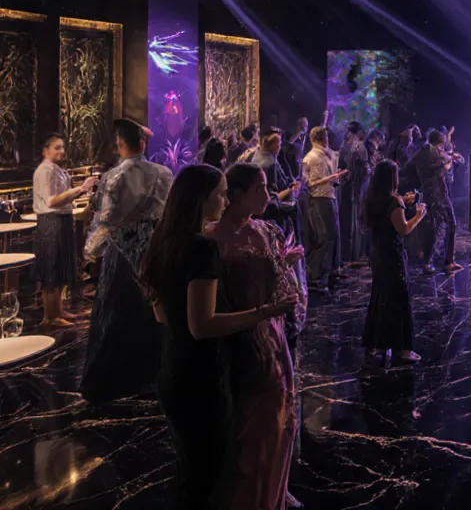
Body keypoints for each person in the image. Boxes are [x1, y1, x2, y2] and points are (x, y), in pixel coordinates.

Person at [141, 164, 294, 509]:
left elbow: (161, 314)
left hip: (172, 366)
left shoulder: (166, 243)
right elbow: (202, 325)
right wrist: (264, 312)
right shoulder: (203, 248)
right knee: (208, 478)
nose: (226, 201)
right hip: (203, 374)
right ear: (201, 199)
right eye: (222, 194)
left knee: (190, 472)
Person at [209, 164, 305, 507]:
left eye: (266, 188)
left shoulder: (264, 230)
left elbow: (272, 280)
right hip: (239, 334)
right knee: (251, 419)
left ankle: (275, 484)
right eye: (258, 189)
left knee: (282, 411)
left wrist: (285, 263)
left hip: (272, 332)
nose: (267, 195)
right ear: (234, 196)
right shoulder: (213, 238)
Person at [81, 119, 173, 403]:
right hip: (152, 247)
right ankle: (155, 373)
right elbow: (166, 211)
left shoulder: (112, 177)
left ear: (120, 145)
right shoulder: (163, 172)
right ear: (143, 144)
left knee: (117, 311)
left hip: (120, 253)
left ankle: (116, 379)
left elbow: (106, 220)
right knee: (151, 309)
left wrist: (90, 251)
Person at [362, 160, 425, 361]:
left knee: (381, 295)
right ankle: (403, 349)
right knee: (399, 297)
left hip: (377, 251)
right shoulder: (393, 203)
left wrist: (403, 200)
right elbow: (403, 229)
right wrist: (418, 215)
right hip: (392, 253)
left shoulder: (372, 199)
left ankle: (376, 343)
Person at [32, 133, 97, 328]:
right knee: (51, 268)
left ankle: (58, 310)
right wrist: (81, 189)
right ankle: (50, 317)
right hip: (52, 222)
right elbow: (52, 201)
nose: (62, 151)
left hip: (62, 220)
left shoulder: (56, 169)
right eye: (57, 148)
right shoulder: (45, 171)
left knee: (60, 267)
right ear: (45, 151)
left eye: (62, 147)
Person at [302, 125, 346, 294]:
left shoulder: (326, 155)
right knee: (325, 236)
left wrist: (334, 178)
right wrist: (331, 178)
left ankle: (329, 271)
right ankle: (317, 275)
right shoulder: (312, 157)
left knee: (332, 236)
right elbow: (309, 184)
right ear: (323, 139)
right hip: (319, 199)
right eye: (326, 137)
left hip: (329, 197)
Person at [409, 130, 461, 272]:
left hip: (427, 192)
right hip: (439, 193)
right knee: (450, 224)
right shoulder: (437, 153)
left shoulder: (422, 152)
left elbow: (411, 163)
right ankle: (448, 261)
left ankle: (428, 262)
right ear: (441, 141)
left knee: (432, 228)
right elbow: (447, 162)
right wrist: (450, 159)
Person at [338, 121, 371, 265]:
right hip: (357, 190)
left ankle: (345, 255)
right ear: (359, 132)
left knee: (345, 222)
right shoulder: (360, 147)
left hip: (344, 188)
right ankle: (355, 256)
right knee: (355, 222)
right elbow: (365, 170)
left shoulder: (343, 146)